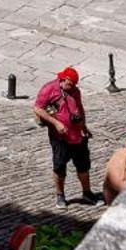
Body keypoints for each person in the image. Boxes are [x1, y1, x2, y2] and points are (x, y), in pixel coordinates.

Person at [33, 65, 93, 207]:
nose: (73, 87)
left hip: (77, 136)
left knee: (83, 165)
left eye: (74, 85)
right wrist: (55, 123)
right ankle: (60, 196)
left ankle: (87, 193)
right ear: (65, 79)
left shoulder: (75, 91)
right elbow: (37, 108)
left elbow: (80, 108)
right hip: (59, 138)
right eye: (71, 84)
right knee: (60, 166)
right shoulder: (49, 89)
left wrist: (84, 126)